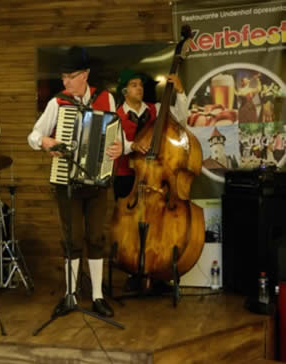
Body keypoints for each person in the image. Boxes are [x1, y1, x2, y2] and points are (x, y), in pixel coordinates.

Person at [28, 46, 122, 318]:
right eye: (63, 77)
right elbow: (34, 135)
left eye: (71, 76)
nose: (65, 82)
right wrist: (44, 141)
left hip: (97, 180)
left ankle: (97, 296)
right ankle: (69, 295)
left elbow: (119, 140)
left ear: (86, 75)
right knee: (71, 239)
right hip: (65, 181)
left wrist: (119, 150)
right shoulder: (57, 103)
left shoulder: (107, 99)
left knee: (95, 238)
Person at [113, 69, 188, 200]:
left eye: (141, 85)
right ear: (124, 91)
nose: (139, 88)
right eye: (134, 85)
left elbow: (181, 118)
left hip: (154, 173)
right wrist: (133, 146)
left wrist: (180, 92)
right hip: (126, 176)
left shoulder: (156, 108)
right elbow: (117, 142)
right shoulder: (115, 116)